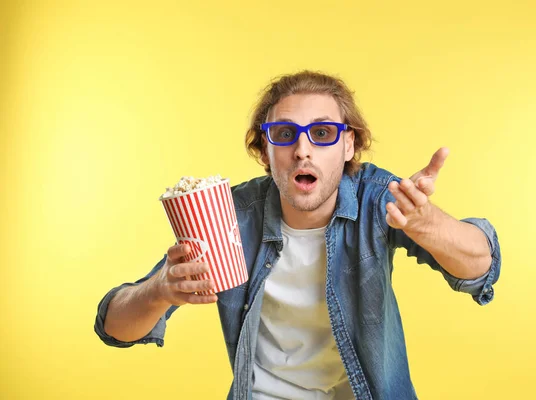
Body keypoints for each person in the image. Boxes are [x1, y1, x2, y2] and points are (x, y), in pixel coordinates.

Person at [94, 70, 501, 400]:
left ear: (347, 146)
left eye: (322, 133)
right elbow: (115, 326)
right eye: (285, 135)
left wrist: (426, 224)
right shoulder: (229, 215)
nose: (303, 149)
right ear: (264, 153)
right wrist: (159, 291)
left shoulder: (379, 197)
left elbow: (482, 266)